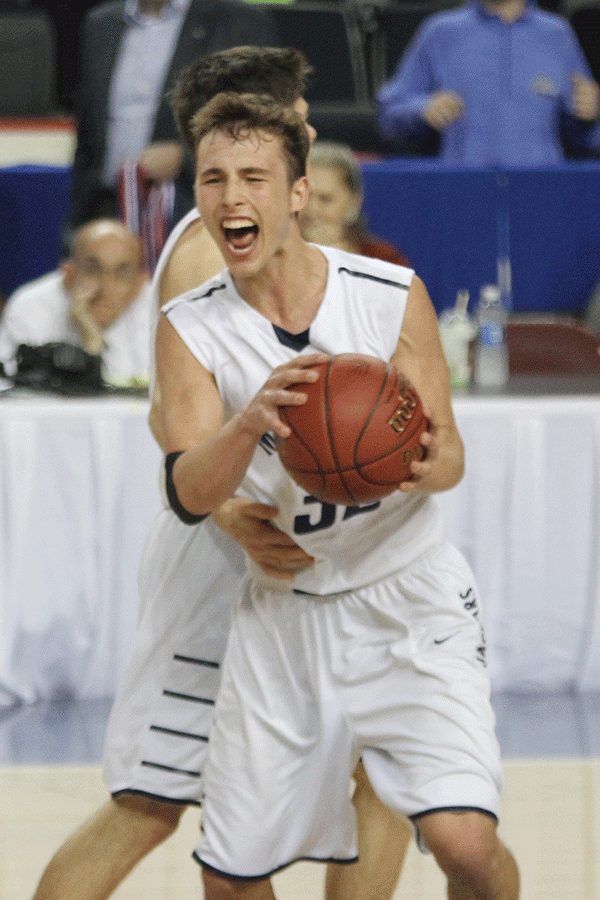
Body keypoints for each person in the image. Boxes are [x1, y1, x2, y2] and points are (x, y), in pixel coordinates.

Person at [31, 49, 411, 900]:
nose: (312, 125)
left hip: (298, 560)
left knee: (368, 775)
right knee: (150, 803)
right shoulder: (209, 254)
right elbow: (171, 419)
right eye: (301, 111)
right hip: (220, 564)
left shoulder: (288, 241)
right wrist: (234, 512)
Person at [157, 91, 520, 900]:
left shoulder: (389, 293)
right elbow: (186, 488)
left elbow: (450, 453)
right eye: (212, 179)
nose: (230, 196)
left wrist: (418, 462)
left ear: (296, 194)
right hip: (285, 610)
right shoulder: (189, 324)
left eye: (253, 175)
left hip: (405, 594)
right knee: (231, 880)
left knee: (466, 845)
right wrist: (249, 425)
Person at [68, 0, 275, 234]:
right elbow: (87, 133)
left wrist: (185, 157)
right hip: (104, 210)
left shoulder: (240, 23)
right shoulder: (100, 23)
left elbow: (256, 127)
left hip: (190, 213)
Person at [376, 0, 600, 166]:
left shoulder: (557, 34)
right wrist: (422, 109)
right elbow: (388, 114)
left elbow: (585, 137)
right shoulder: (440, 31)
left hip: (541, 195)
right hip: (464, 194)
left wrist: (589, 115)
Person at [0, 218, 151, 387]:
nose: (106, 288)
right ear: (69, 274)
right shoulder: (29, 308)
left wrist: (93, 345)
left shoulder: (157, 308)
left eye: (122, 273)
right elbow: (10, 393)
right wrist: (89, 342)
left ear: (140, 283)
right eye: (93, 269)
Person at [299, 140, 411, 266]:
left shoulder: (384, 259)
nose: (311, 210)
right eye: (303, 197)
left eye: (326, 199)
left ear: (354, 201)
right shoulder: (274, 257)